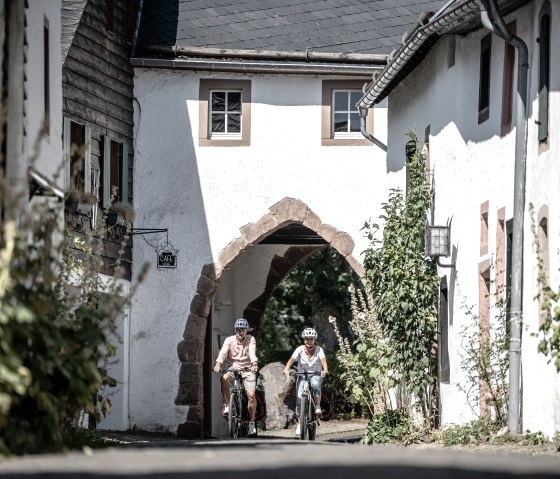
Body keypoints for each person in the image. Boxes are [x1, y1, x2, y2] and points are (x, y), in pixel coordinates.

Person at [213, 318, 259, 435]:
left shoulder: (250, 339)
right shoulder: (229, 340)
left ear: (246, 330)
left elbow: (252, 352)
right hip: (233, 367)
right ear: (235, 330)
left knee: (251, 395)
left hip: (248, 369)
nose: (240, 332)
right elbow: (223, 352)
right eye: (238, 329)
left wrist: (254, 364)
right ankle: (228, 404)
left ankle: (251, 423)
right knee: (223, 378)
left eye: (243, 330)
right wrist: (218, 364)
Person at [283, 327, 328, 435]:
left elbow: (323, 360)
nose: (308, 341)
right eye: (306, 339)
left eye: (311, 339)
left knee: (315, 384)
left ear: (314, 340)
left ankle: (317, 406)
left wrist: (325, 370)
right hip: (302, 375)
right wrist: (286, 369)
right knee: (299, 397)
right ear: (304, 340)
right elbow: (292, 359)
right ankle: (300, 423)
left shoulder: (319, 350)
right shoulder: (299, 349)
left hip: (315, 375)